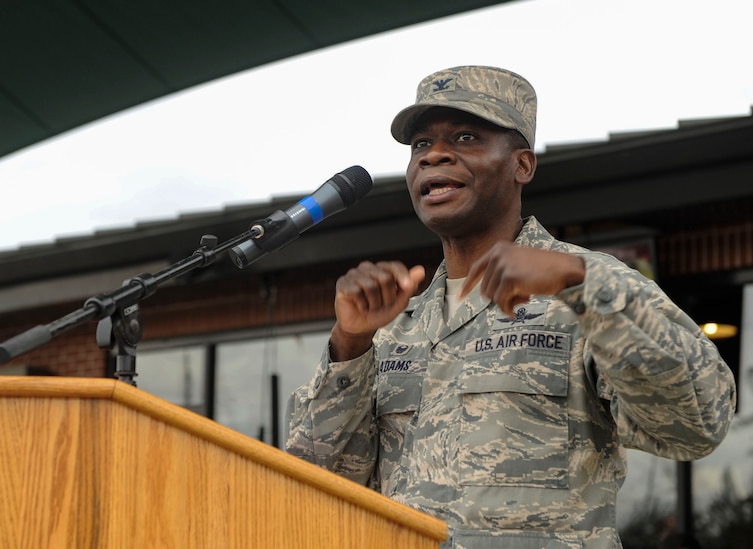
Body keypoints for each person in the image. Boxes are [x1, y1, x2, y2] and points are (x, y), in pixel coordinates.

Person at [285, 65, 736, 548]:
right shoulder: (396, 325)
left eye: (465, 137)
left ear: (522, 164)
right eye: (421, 145)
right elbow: (318, 486)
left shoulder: (588, 287)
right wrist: (350, 344)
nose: (435, 155)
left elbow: (698, 425)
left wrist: (585, 288)